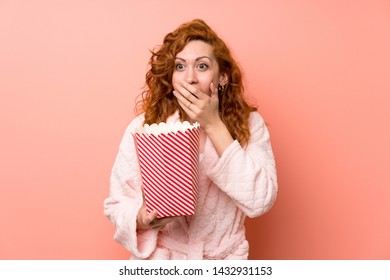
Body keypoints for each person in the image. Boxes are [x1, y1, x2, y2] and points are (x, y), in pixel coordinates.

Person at [103, 19, 278, 260]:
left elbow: (260, 199)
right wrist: (141, 218)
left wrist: (213, 124)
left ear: (223, 77)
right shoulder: (144, 127)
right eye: (180, 67)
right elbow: (117, 203)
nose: (190, 78)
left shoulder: (250, 125)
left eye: (202, 66)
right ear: (171, 76)